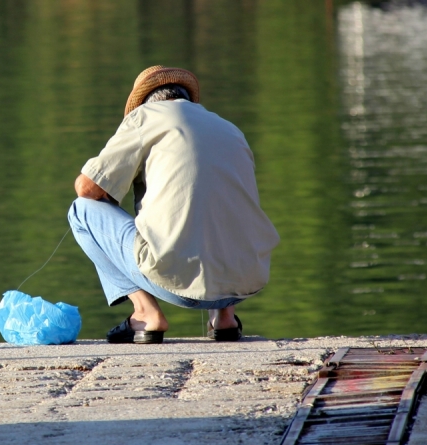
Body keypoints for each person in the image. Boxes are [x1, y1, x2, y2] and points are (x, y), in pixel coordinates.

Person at [68, 65, 279, 344]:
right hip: (246, 279)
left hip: (176, 283)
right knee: (217, 202)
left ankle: (147, 314)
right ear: (186, 98)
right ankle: (224, 318)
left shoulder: (145, 117)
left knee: (81, 211)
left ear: (145, 103)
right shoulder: (229, 128)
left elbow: (86, 188)